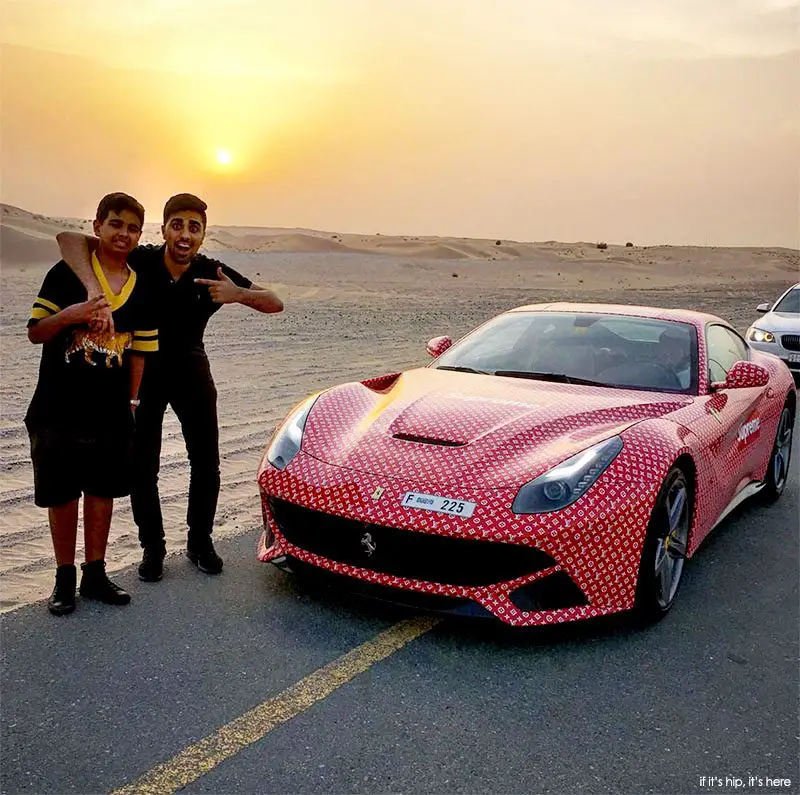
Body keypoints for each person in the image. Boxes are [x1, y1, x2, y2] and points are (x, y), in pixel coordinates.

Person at [56, 194, 283, 583]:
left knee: (206, 463)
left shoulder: (211, 271)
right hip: (143, 375)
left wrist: (237, 294)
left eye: (194, 227)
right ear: (163, 229)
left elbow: (275, 302)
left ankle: (200, 543)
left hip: (193, 374)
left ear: (202, 235)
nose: (184, 234)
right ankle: (153, 549)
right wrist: (94, 290)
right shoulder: (141, 259)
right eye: (176, 224)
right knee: (144, 466)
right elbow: (68, 240)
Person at [27, 192, 159, 615]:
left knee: (102, 491)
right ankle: (64, 578)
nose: (123, 234)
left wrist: (134, 400)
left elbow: (139, 350)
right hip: (58, 406)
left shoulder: (141, 288)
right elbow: (36, 332)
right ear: (98, 225)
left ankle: (95, 573)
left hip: (111, 410)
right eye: (115, 224)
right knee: (62, 493)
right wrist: (73, 314)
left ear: (140, 234)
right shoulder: (66, 274)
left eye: (132, 227)